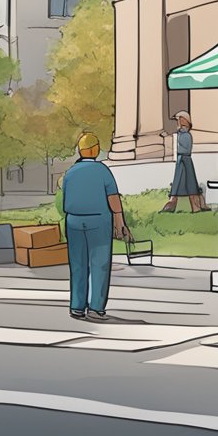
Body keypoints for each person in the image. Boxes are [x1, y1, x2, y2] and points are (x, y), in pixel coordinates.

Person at [61, 132, 131, 321]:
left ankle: (76, 306)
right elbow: (113, 199)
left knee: (78, 265)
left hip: (74, 221)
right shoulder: (102, 170)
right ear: (95, 150)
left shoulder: (70, 173)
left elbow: (65, 200)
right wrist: (119, 222)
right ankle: (96, 308)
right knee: (99, 264)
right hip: (98, 221)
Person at [161, 110, 207, 213]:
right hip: (181, 161)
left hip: (185, 161)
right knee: (178, 183)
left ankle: (196, 206)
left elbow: (185, 148)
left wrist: (173, 140)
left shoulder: (185, 135)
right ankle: (173, 204)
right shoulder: (180, 134)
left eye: (180, 119)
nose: (178, 122)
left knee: (190, 184)